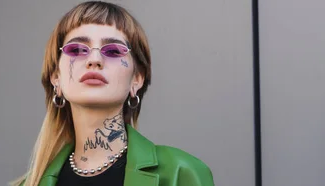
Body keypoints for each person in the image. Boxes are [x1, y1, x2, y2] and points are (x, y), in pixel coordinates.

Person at [12, 1, 214, 186]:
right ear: (56, 77)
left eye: (114, 51)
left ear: (137, 79)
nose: (94, 59)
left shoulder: (182, 172)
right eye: (77, 49)